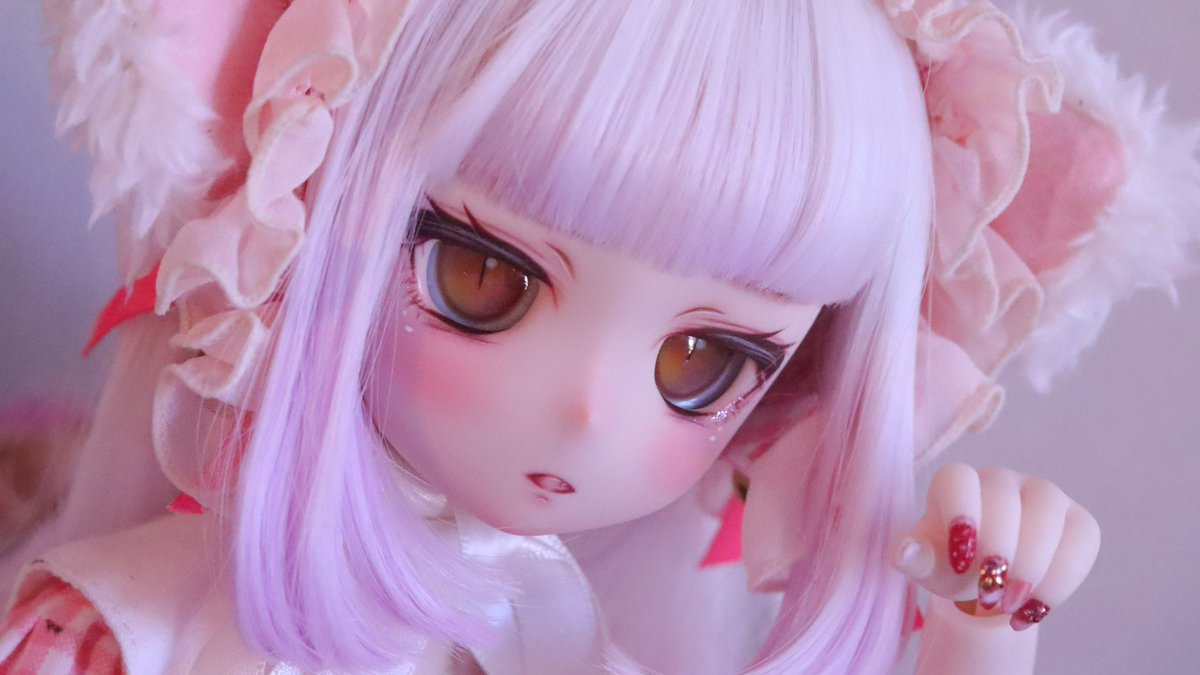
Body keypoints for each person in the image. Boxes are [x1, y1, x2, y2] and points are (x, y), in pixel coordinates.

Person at [1, 0, 1195, 673]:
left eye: (702, 362)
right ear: (300, 212)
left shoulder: (552, 632)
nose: (587, 410)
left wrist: (978, 635)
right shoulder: (125, 633)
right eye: (483, 277)